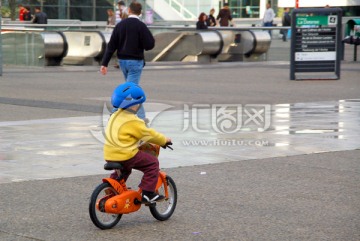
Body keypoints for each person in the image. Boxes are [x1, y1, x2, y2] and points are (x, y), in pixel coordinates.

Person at [104, 82, 172, 204]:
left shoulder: (114, 115)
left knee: (125, 169)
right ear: (135, 105)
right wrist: (164, 140)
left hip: (110, 154)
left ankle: (113, 187)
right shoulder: (133, 120)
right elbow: (149, 134)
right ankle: (148, 194)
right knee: (152, 163)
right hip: (125, 154)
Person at [100, 2, 155, 122]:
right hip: (135, 62)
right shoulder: (141, 26)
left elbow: (111, 45)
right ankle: (118, 115)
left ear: (129, 10)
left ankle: (139, 117)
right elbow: (150, 44)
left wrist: (104, 63)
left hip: (122, 61)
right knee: (130, 91)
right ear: (140, 13)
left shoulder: (120, 25)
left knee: (131, 88)